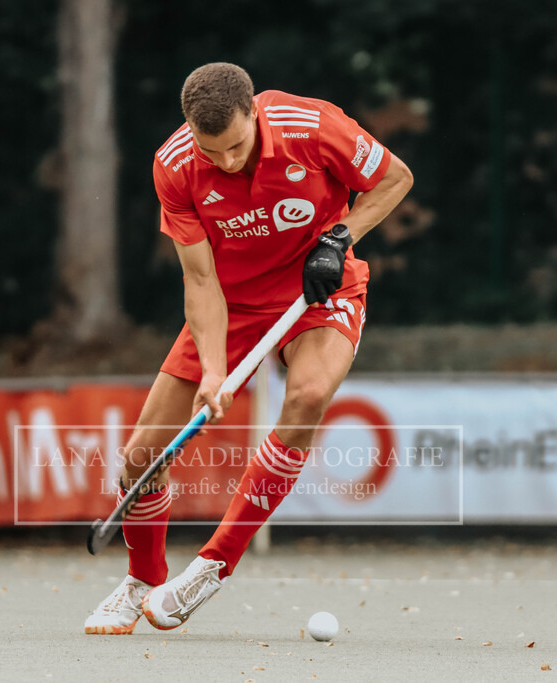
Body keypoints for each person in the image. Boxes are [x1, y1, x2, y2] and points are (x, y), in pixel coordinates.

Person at [84, 62, 412, 634]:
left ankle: (213, 565)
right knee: (141, 456)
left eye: (237, 145)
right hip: (231, 302)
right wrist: (214, 373)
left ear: (254, 112)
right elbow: (200, 281)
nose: (228, 162)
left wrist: (339, 238)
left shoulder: (312, 126)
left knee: (307, 396)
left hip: (317, 291)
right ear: (191, 132)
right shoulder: (174, 166)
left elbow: (394, 178)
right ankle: (142, 579)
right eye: (213, 152)